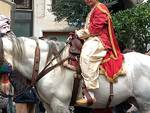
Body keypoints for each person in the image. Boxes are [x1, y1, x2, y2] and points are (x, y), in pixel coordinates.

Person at [75, 0, 124, 105]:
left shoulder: (100, 8)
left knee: (86, 56)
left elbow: (94, 30)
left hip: (100, 39)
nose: (87, 0)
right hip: (92, 38)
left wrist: (78, 34)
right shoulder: (93, 9)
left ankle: (90, 93)